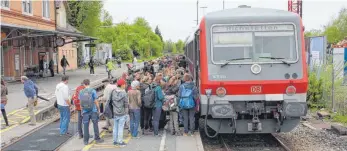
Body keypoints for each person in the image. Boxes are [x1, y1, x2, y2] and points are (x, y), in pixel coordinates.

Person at [79, 79, 103, 145]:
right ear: (89, 83)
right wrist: (98, 109)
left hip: (85, 111)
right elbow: (96, 101)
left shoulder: (81, 92)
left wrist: (82, 111)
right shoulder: (93, 91)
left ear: (84, 84)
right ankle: (97, 138)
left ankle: (86, 141)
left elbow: (81, 103)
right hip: (93, 110)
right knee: (95, 124)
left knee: (86, 126)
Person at [111, 79, 128, 147]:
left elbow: (111, 101)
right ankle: (120, 141)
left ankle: (115, 141)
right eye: (125, 84)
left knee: (115, 127)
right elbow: (126, 104)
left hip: (115, 112)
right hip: (122, 112)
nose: (125, 85)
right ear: (122, 85)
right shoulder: (124, 93)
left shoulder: (113, 92)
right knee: (121, 128)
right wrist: (126, 113)